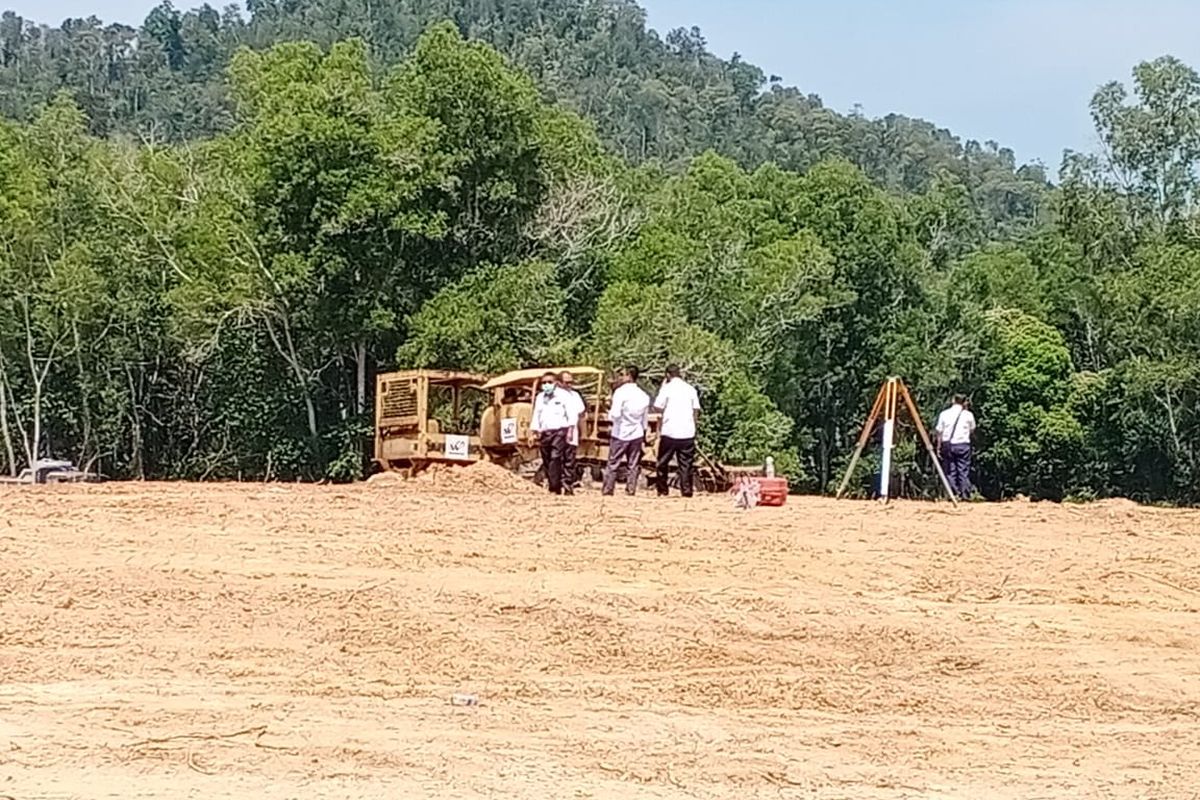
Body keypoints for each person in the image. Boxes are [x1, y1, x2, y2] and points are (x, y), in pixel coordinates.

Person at [652, 364, 701, 497]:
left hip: (670, 431)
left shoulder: (667, 389)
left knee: (663, 462)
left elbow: (657, 407)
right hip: (687, 431)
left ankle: (662, 490)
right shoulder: (690, 389)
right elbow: (696, 410)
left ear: (667, 375)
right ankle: (686, 490)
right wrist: (694, 426)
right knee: (686, 464)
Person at [603, 365, 650, 496]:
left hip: (620, 432)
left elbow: (615, 414)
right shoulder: (643, 395)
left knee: (613, 462)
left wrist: (609, 414)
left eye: (622, 374)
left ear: (629, 376)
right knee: (633, 463)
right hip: (637, 432)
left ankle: (608, 489)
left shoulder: (621, 392)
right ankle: (630, 489)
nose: (620, 377)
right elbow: (644, 419)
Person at [530, 371, 574, 495]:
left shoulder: (564, 396)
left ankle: (555, 487)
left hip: (560, 431)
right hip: (545, 433)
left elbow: (571, 413)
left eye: (549, 382)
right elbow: (536, 415)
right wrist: (534, 432)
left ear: (555, 383)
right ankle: (553, 484)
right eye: (544, 383)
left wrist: (570, 430)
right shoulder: (540, 397)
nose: (547, 385)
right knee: (547, 460)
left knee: (556, 457)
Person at [935, 393, 977, 500]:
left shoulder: (944, 414)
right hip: (963, 444)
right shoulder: (968, 415)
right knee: (963, 470)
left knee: (950, 471)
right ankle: (965, 494)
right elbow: (972, 429)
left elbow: (939, 431)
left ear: (953, 400)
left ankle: (953, 493)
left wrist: (938, 446)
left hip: (948, 445)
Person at [557, 371, 587, 494]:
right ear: (559, 382)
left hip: (571, 433)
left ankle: (568, 486)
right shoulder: (553, 395)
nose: (569, 384)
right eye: (566, 382)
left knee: (569, 460)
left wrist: (583, 432)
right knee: (556, 459)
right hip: (556, 432)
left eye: (571, 382)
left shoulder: (575, 396)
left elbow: (581, 414)